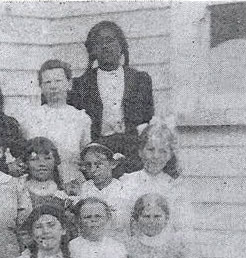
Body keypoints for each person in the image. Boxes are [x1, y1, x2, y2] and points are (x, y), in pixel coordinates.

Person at [68, 21, 154, 171]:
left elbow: (147, 119)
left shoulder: (140, 79)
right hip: (97, 155)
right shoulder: (80, 84)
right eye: (99, 42)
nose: (105, 46)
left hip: (133, 152)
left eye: (110, 40)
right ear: (92, 50)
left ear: (121, 46)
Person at [20, 59, 91, 192]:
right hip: (38, 183)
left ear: (69, 84)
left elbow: (85, 155)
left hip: (71, 182)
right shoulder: (30, 117)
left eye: (58, 81)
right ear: (41, 87)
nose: (53, 86)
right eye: (47, 82)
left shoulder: (81, 118)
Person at [119, 120, 192, 236]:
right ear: (140, 152)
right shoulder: (128, 182)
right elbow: (122, 223)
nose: (156, 156)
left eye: (163, 151)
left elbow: (182, 227)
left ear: (170, 155)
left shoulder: (175, 187)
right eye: (150, 149)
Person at [77, 142, 133, 241]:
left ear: (112, 164)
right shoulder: (84, 189)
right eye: (88, 165)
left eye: (99, 164)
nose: (93, 169)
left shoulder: (123, 189)